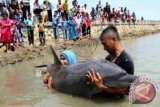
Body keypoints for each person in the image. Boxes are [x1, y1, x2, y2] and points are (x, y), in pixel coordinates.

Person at [87, 25, 134, 95]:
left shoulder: (127, 61)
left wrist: (101, 87)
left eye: (105, 44)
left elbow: (124, 91)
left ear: (114, 39)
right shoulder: (108, 58)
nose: (104, 48)